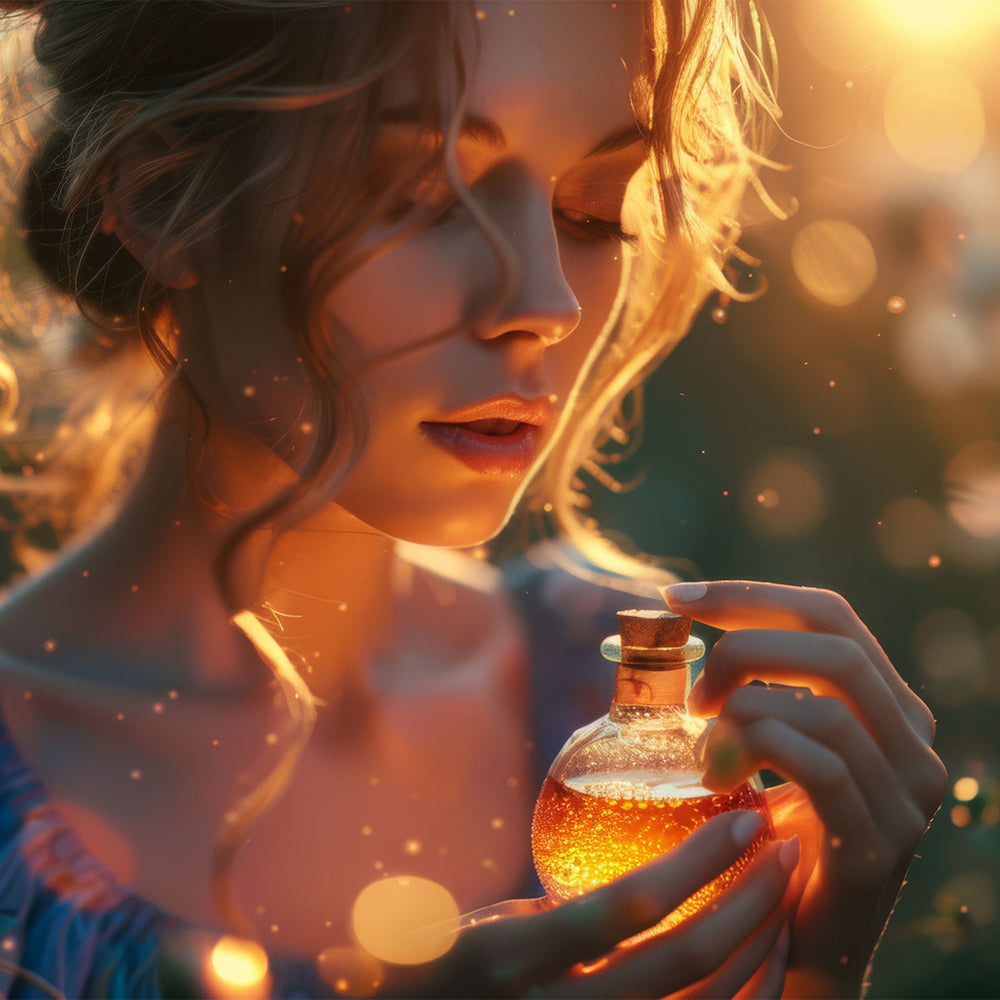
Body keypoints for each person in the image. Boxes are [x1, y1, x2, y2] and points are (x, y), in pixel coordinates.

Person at [0, 1, 946, 997]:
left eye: (593, 211)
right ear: (162, 198)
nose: (545, 299)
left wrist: (812, 974)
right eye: (426, 193)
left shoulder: (632, 719)